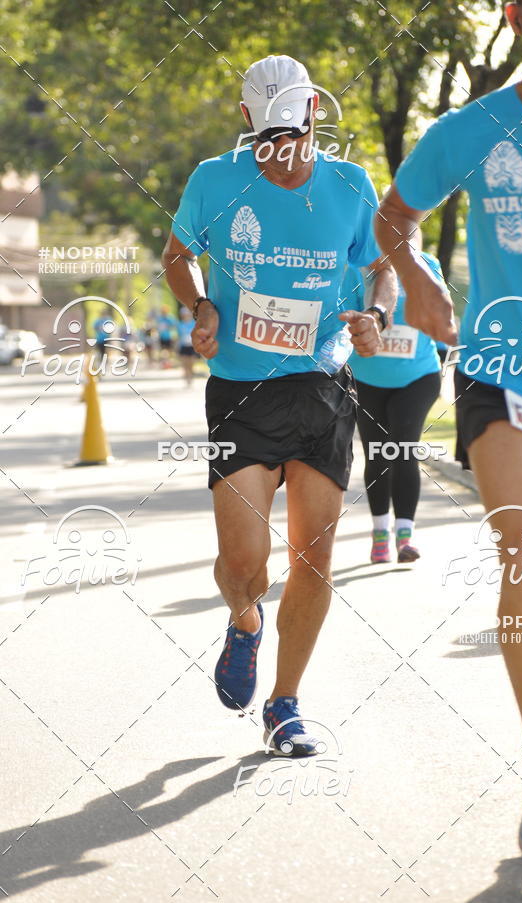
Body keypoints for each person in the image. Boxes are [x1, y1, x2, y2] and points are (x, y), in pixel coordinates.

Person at [376, 0, 522, 857]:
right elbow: (394, 215)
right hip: (503, 375)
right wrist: (418, 281)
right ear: (513, 16)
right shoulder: (471, 129)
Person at [162, 55, 396, 756]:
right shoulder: (214, 181)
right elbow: (177, 256)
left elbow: (381, 266)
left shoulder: (353, 186)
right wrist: (200, 304)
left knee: (314, 555)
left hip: (322, 383)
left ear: (314, 116)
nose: (280, 153)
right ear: (245, 124)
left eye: (291, 135)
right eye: (266, 139)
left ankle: (285, 703)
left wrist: (376, 315)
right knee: (244, 560)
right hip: (240, 388)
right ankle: (244, 622)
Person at [341, 259, 443, 563]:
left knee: (403, 449)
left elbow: (438, 307)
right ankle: (380, 532)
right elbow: (341, 315)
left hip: (418, 376)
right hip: (367, 379)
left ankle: (405, 535)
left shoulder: (427, 264)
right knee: (377, 454)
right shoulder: (354, 269)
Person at [177, 307, 197, 386]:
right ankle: (187, 377)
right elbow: (178, 336)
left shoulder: (194, 323)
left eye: (187, 314)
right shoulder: (180, 324)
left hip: (192, 346)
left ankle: (191, 376)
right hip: (183, 346)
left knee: (191, 363)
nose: (186, 316)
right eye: (184, 315)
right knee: (185, 363)